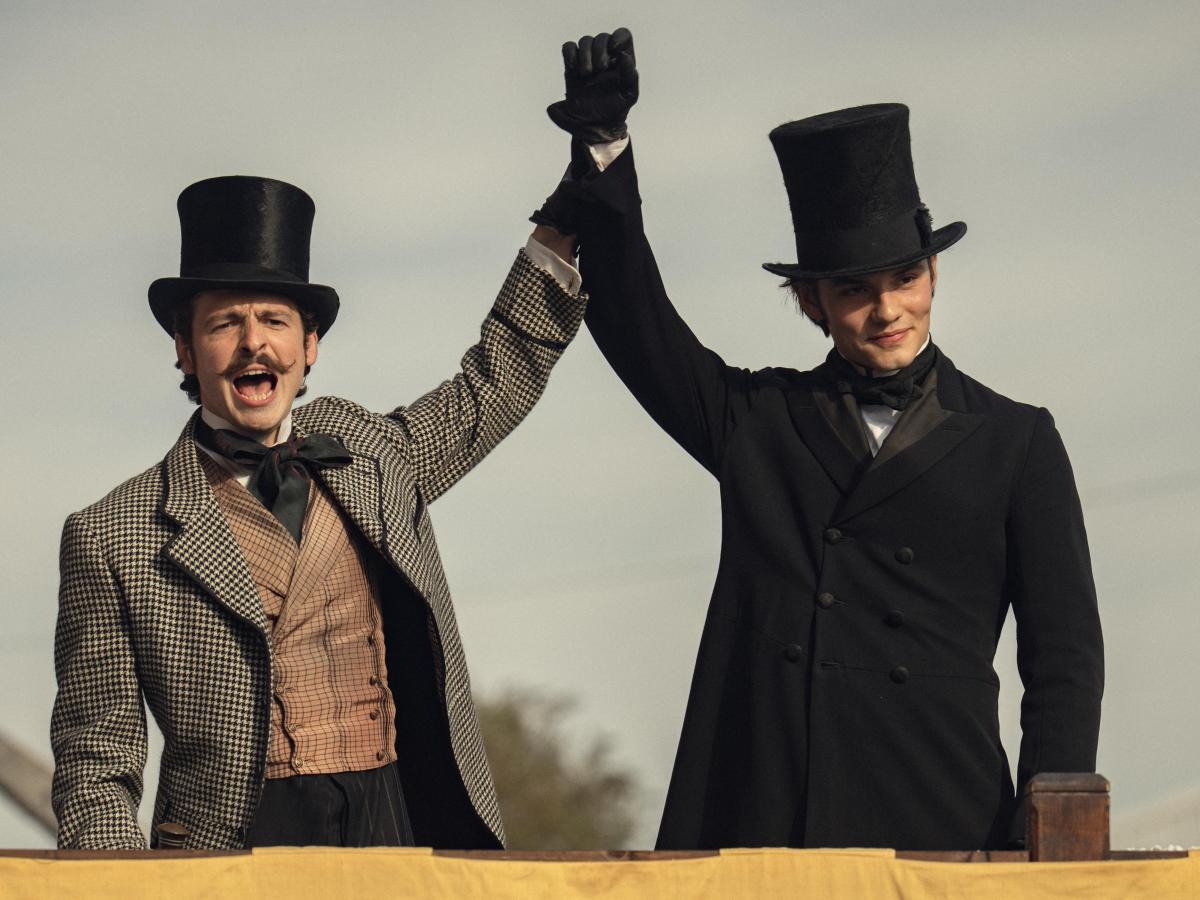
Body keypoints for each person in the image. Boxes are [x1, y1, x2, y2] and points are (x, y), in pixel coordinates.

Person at [533, 30, 1103, 851]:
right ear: (811, 304)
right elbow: (633, 321)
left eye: (905, 278)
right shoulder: (757, 421)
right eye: (854, 290)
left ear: (933, 275)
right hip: (768, 823)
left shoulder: (1018, 442)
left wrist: (1049, 837)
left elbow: (1064, 666)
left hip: (949, 824)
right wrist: (603, 148)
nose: (888, 310)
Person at [51, 174, 584, 850]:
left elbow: (492, 384)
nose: (253, 343)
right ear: (186, 350)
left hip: (396, 820)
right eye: (224, 323)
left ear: (308, 348)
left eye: (274, 321)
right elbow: (96, 764)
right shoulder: (111, 534)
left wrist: (566, 220)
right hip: (231, 855)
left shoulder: (371, 450)